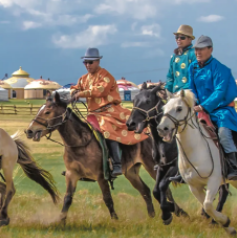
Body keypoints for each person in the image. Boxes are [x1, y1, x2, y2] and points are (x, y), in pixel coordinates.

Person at [187, 35, 237, 180]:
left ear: (211, 49)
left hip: (221, 109)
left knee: (223, 133)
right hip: (199, 109)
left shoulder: (221, 69)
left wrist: (204, 106)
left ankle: (233, 165)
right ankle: (182, 168)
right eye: (196, 49)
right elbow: (190, 87)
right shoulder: (192, 67)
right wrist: (193, 102)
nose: (198, 52)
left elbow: (219, 92)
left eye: (201, 49)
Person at [70, 48, 148, 179]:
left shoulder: (106, 76)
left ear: (98, 61)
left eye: (90, 62)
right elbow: (77, 87)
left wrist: (81, 93)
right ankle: (84, 165)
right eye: (85, 63)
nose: (87, 65)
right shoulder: (83, 78)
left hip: (109, 112)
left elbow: (100, 91)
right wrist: (74, 92)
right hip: (93, 114)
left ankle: (117, 164)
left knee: (107, 130)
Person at [166, 24, 196, 94]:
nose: (178, 39)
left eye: (182, 37)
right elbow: (170, 77)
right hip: (175, 94)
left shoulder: (194, 54)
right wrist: (167, 90)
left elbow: (196, 77)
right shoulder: (174, 56)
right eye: (177, 37)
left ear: (190, 39)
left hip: (190, 94)